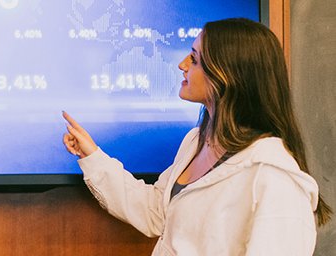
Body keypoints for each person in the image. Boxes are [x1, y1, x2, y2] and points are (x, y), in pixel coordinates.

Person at [62, 18, 331, 255]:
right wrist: (92, 155)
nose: (182, 64)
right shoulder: (197, 141)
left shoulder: (274, 177)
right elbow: (156, 212)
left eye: (194, 58)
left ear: (226, 76)